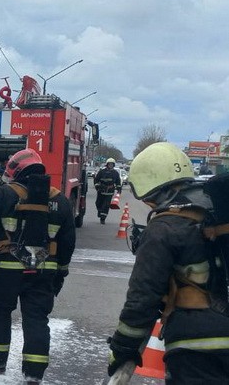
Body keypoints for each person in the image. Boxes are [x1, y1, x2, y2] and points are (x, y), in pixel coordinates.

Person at [107, 142, 229, 383]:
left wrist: (122, 348)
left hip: (197, 345)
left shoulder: (163, 228)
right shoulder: (215, 215)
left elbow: (142, 298)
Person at [0, 148, 76, 385]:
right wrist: (61, 273)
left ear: (15, 171)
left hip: (7, 269)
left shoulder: (5, 194)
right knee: (37, 318)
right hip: (44, 270)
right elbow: (67, 243)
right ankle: (33, 374)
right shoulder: (60, 200)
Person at [93, 158, 122, 224]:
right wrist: (97, 186)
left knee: (106, 205)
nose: (110, 165)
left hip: (110, 191)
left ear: (113, 165)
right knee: (98, 203)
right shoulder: (101, 172)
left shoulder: (115, 173)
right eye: (109, 164)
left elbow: (118, 182)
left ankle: (103, 218)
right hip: (101, 190)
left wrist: (119, 189)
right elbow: (96, 180)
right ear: (107, 164)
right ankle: (100, 211)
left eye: (112, 164)